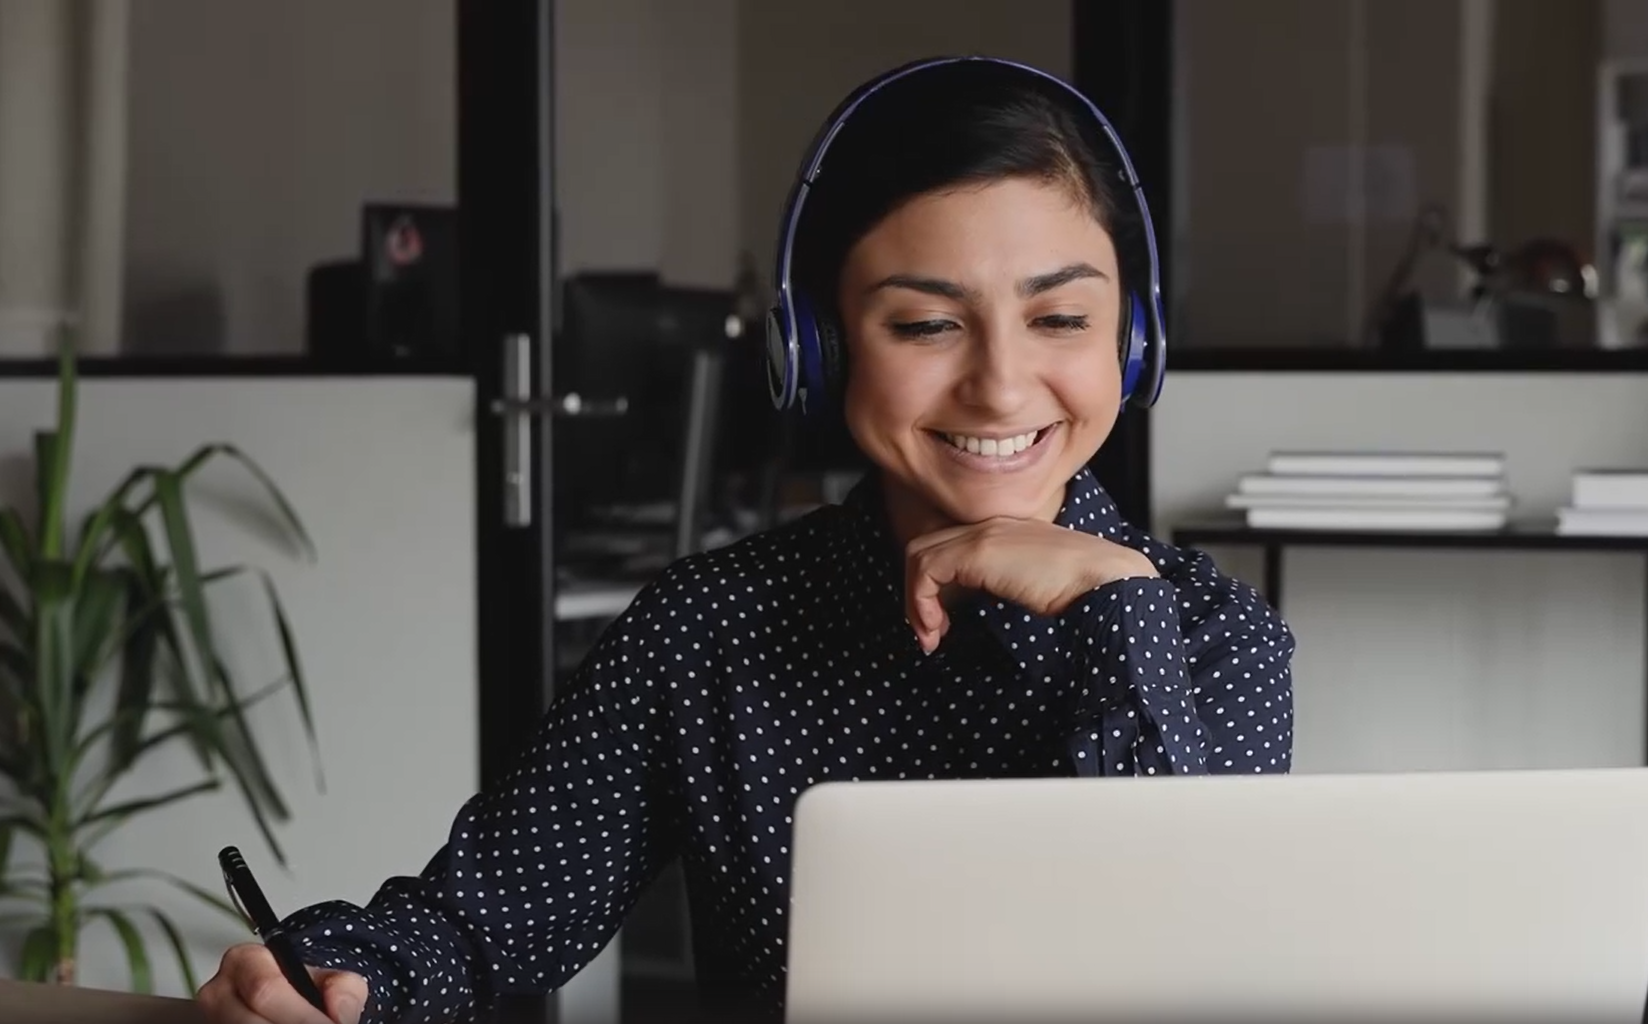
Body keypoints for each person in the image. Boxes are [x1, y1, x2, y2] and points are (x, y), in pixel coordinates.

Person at [195, 55, 1295, 1024]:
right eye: (924, 322)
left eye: (1061, 318)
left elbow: (1178, 962)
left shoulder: (1208, 636)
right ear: (815, 350)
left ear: (1132, 343)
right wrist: (334, 976)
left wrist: (1114, 612)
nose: (1001, 382)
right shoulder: (710, 624)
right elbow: (485, 918)